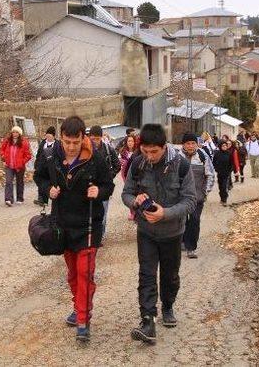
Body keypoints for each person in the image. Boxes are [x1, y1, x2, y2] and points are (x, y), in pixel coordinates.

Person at [34, 116, 115, 341]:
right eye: (67, 142)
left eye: (75, 142)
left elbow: (109, 185)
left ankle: (83, 318)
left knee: (84, 273)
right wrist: (48, 189)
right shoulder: (51, 156)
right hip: (62, 225)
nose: (71, 147)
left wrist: (98, 192)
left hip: (88, 226)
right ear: (61, 138)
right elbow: (39, 177)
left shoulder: (95, 158)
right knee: (72, 274)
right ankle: (78, 306)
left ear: (83, 138)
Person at [121, 124, 197, 344]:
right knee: (146, 275)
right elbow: (126, 193)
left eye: (154, 151)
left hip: (173, 232)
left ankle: (169, 305)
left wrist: (166, 213)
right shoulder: (137, 163)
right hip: (146, 231)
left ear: (164, 147)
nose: (150, 156)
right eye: (146, 151)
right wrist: (134, 202)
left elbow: (190, 200)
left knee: (170, 276)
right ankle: (147, 320)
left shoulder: (181, 165)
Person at [179, 133, 214, 259]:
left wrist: (205, 191)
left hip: (197, 197)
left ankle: (191, 247)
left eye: (193, 143)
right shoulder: (177, 157)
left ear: (197, 144)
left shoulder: (202, 156)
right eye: (187, 143)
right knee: (181, 220)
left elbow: (210, 175)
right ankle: (182, 241)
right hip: (180, 197)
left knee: (194, 220)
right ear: (183, 144)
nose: (190, 146)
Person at [88, 125, 121, 238]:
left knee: (103, 212)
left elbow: (117, 165)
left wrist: (108, 177)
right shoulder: (85, 150)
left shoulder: (108, 149)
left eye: (97, 139)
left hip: (103, 187)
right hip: (89, 186)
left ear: (101, 137)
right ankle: (90, 234)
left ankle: (99, 235)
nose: (95, 141)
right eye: (93, 139)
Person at [0, 126, 32, 206]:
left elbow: (28, 155)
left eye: (17, 132)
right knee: (8, 181)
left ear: (19, 134)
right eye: (13, 132)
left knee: (19, 182)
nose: (15, 134)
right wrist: (3, 156)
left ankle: (20, 198)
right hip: (9, 165)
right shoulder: (7, 141)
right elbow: (1, 149)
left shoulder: (24, 142)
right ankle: (8, 199)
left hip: (19, 166)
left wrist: (22, 162)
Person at [33, 126, 59, 206]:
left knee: (50, 183)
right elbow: (38, 154)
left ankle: (52, 197)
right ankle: (42, 200)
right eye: (47, 135)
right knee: (42, 182)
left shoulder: (57, 144)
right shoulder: (43, 143)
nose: (48, 136)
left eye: (50, 135)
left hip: (52, 168)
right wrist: (36, 164)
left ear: (53, 136)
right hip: (42, 167)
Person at [213, 141, 234, 206]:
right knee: (221, 187)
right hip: (220, 173)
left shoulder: (229, 153)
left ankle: (224, 200)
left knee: (224, 187)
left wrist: (230, 171)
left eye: (225, 145)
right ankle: (222, 198)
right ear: (220, 146)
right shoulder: (217, 154)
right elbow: (214, 162)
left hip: (227, 174)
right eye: (223, 146)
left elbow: (231, 163)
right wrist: (216, 169)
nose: (224, 147)